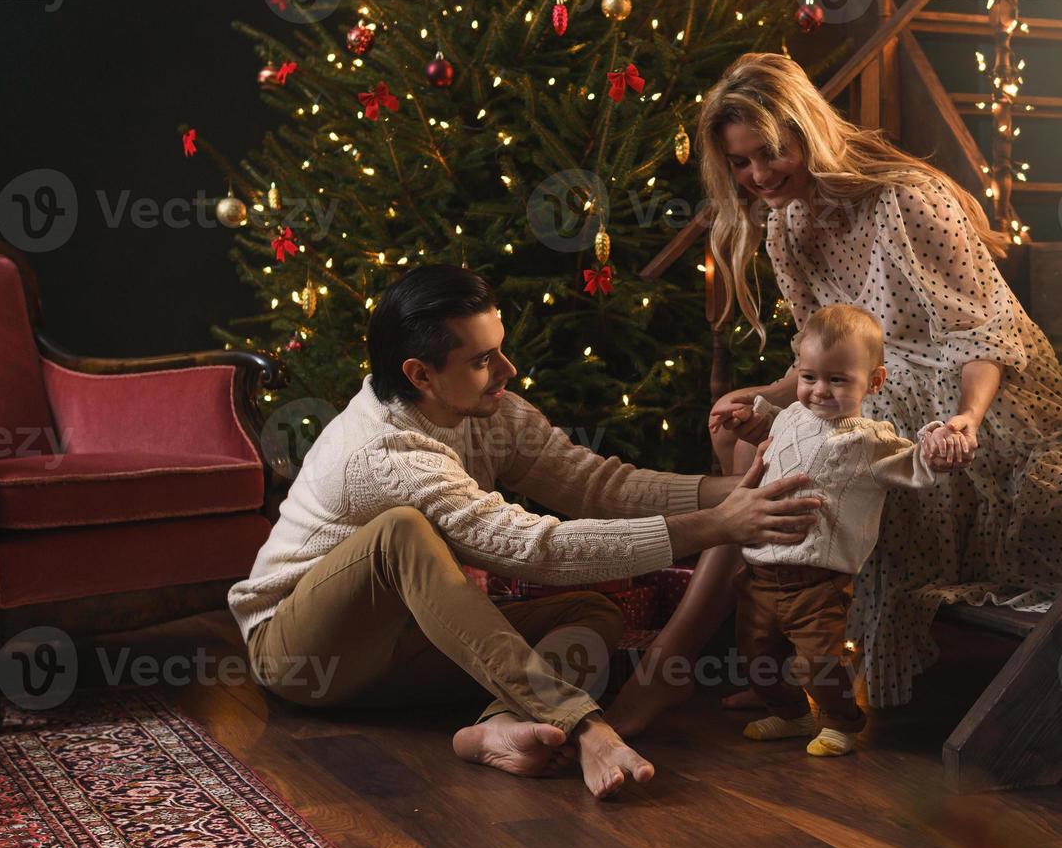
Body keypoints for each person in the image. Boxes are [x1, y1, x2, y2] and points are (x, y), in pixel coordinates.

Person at [604, 52, 1062, 735]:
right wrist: (765, 398)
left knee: (820, 456)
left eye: (769, 154)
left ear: (806, 132)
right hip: (864, 390)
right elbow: (819, 361)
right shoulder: (784, 227)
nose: (757, 177)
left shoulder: (908, 201)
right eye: (740, 164)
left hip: (974, 393)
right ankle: (769, 654)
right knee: (735, 423)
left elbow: (986, 335)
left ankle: (689, 663)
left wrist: (967, 419)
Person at [227, 263, 821, 798]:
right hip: (306, 655)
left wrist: (739, 493)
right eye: (483, 360)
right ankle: (583, 725)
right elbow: (532, 550)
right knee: (400, 532)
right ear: (420, 374)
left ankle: (494, 728)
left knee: (590, 614)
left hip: (406, 653)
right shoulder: (384, 453)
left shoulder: (490, 409)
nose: (507, 371)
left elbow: (598, 486)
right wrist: (716, 525)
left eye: (500, 350)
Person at [720, 304, 945, 757]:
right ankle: (791, 715)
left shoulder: (869, 439)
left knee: (817, 663)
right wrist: (749, 423)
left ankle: (842, 720)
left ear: (874, 382)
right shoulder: (790, 417)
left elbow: (915, 463)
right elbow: (777, 434)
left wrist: (936, 446)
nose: (819, 391)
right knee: (756, 659)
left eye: (837, 380)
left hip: (816, 582)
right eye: (809, 377)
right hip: (759, 573)